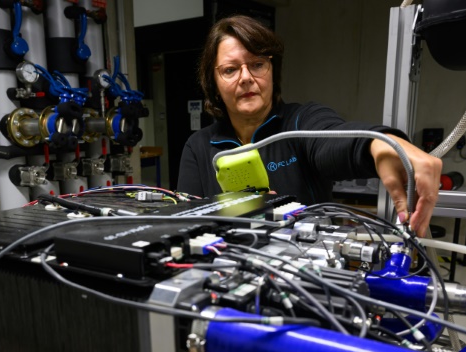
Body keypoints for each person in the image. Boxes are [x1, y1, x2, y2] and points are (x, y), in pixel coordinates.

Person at [177, 15, 442, 236]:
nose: (246, 78)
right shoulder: (199, 146)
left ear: (272, 71)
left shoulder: (301, 122)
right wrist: (235, 210)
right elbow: (184, 223)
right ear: (213, 82)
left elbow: (333, 139)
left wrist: (380, 144)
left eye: (257, 64)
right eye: (230, 70)